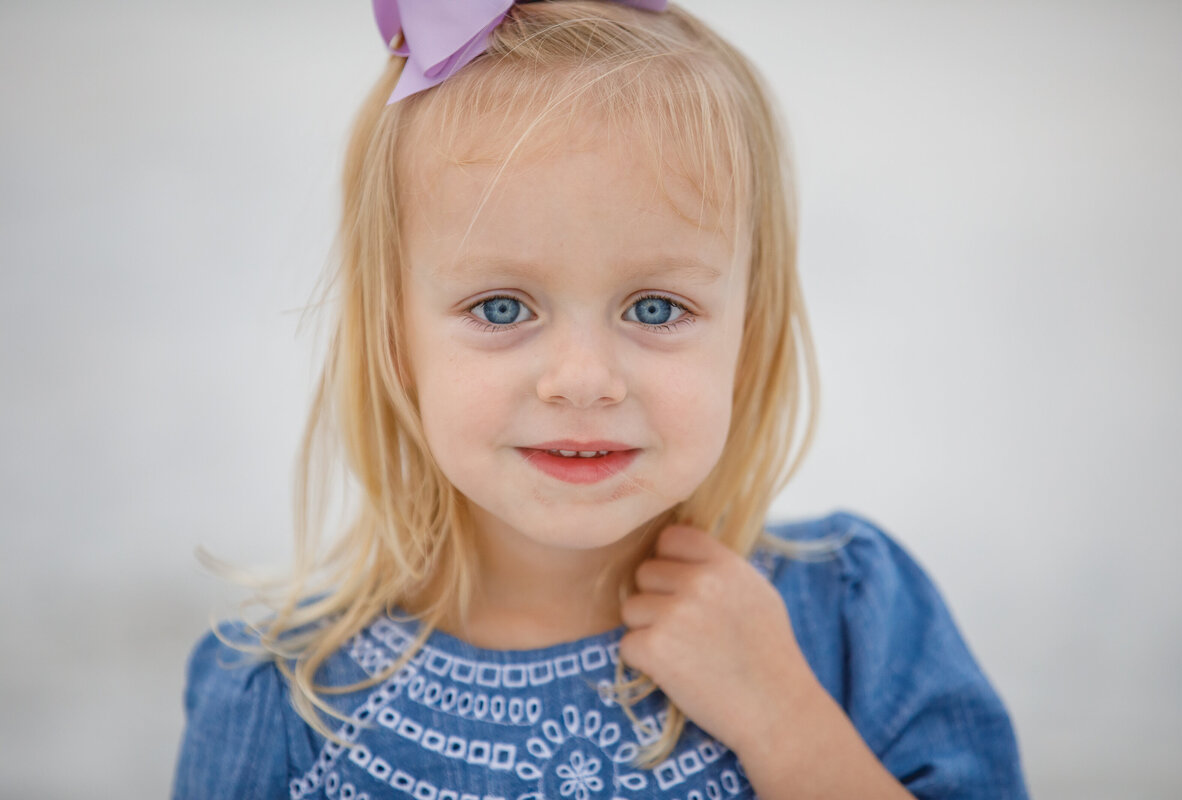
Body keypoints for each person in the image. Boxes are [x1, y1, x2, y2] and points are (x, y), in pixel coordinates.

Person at [172, 1, 1031, 798]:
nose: (584, 379)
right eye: (501, 308)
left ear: (749, 330)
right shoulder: (281, 702)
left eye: (656, 309)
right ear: (395, 339)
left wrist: (788, 724)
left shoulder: (851, 620)